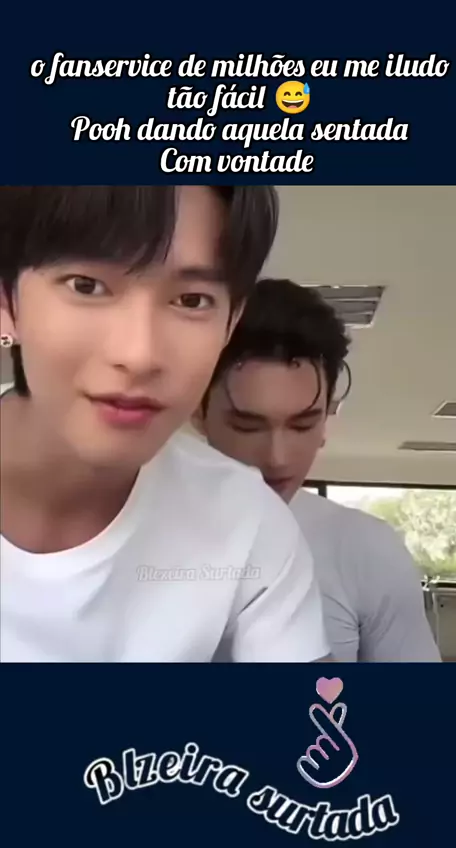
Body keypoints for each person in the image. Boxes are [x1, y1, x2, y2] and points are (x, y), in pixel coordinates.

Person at [0, 187, 331, 663]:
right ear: (7, 300)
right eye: (86, 286)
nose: (139, 355)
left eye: (192, 300)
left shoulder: (247, 522)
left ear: (231, 321)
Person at [197, 278, 441, 662]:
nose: (278, 458)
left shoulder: (366, 550)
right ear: (197, 412)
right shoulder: (127, 533)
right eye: (247, 426)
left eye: (302, 424)